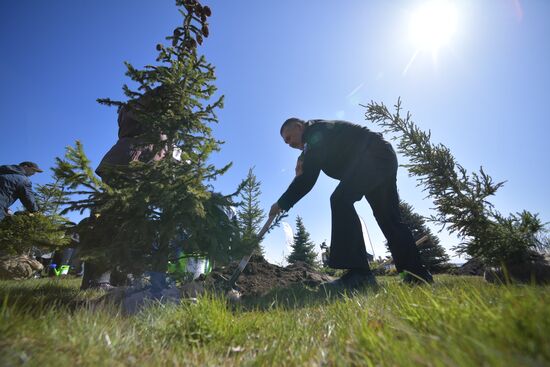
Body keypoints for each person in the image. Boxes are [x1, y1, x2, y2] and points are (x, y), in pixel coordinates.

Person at [269, 118, 433, 288]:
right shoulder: (315, 139)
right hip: (382, 157)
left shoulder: (315, 132)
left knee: (341, 200)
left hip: (373, 157)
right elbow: (307, 169)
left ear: (299, 126)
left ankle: (359, 274)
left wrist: (281, 203)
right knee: (388, 219)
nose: (288, 144)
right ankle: (416, 275)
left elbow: (308, 179)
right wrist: (301, 169)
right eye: (285, 141)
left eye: (288, 138)